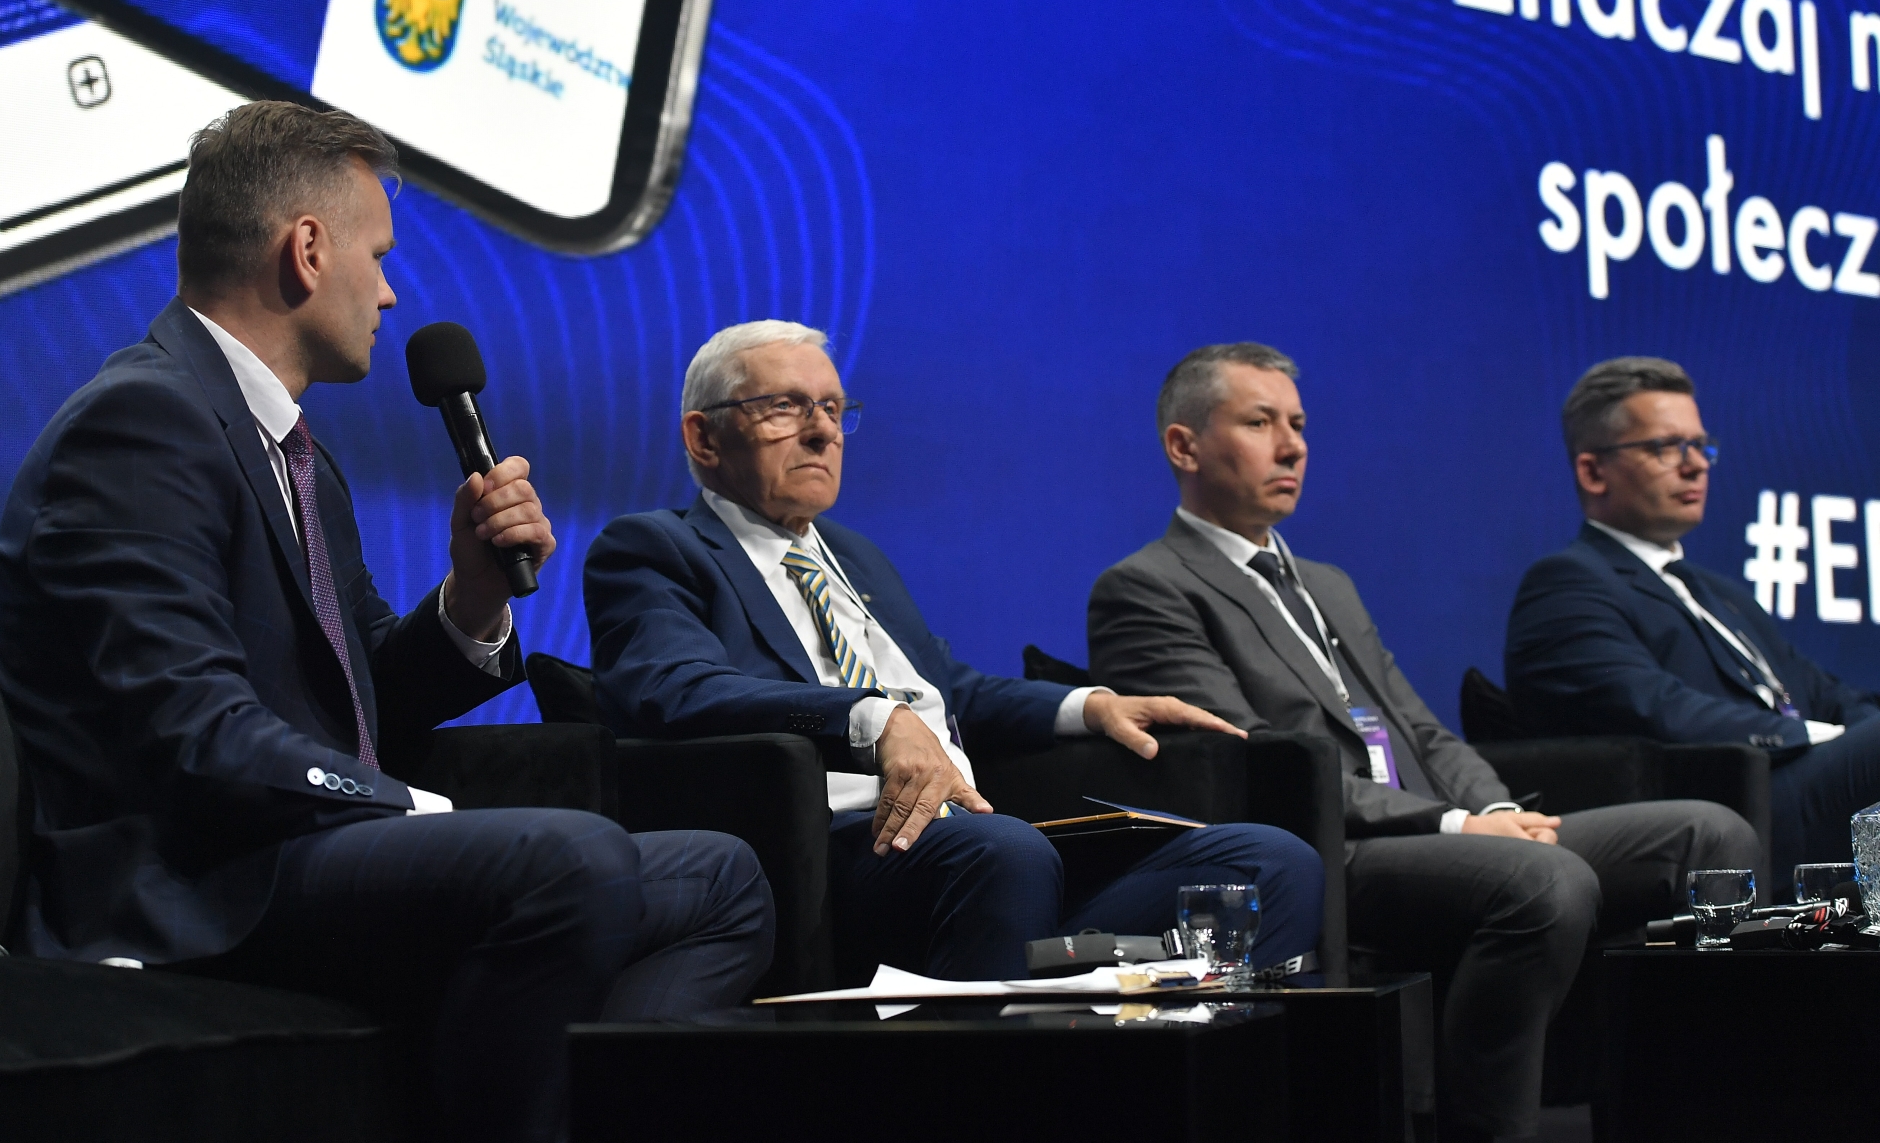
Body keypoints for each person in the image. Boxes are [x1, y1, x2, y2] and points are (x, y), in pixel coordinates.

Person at [0, 102, 773, 1143]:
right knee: (571, 860)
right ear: (307, 250)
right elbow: (193, 731)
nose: (392, 291)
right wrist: (408, 807)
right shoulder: (142, 421)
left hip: (299, 847)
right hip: (199, 878)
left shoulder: (299, 457)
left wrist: (473, 596)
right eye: (381, 255)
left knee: (724, 877)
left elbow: (363, 699)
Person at [1086, 342, 1756, 1143]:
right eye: (1260, 423)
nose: (1293, 446)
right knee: (1547, 881)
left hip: (1444, 831)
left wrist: (1495, 809)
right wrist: (1457, 824)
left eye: (1298, 424)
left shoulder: (1326, 583)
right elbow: (1256, 767)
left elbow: (1423, 731)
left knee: (1711, 835)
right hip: (1333, 850)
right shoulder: (1148, 587)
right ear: (1184, 446)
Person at [583, 320, 1325, 983]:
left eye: (834, 409)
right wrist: (871, 719)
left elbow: (947, 688)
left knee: (1268, 862)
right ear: (704, 437)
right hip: (836, 845)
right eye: (785, 407)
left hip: (974, 838)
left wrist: (1090, 705)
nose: (822, 432)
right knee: (1005, 852)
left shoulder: (854, 554)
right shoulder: (655, 547)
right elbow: (674, 687)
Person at [1506, 356, 1880, 894]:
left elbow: (1823, 691)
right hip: (1736, 812)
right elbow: (1658, 711)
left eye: (1700, 446)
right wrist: (1817, 739)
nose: (1696, 465)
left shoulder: (1719, 592)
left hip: (1803, 788)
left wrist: (1861, 732)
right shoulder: (1565, 584)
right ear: (1593, 471)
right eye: (1665, 447)